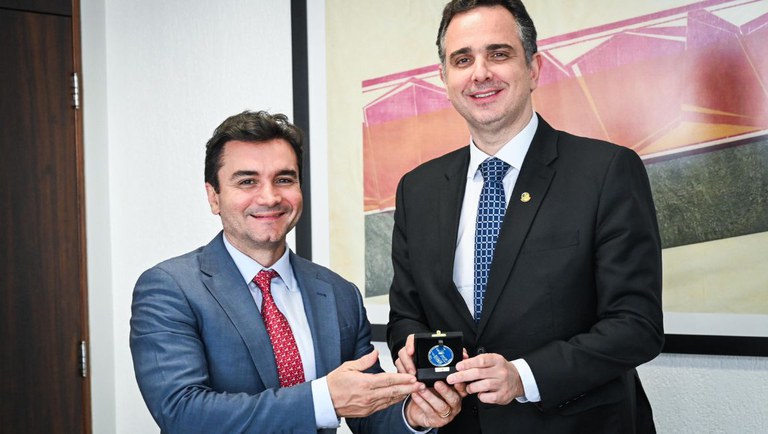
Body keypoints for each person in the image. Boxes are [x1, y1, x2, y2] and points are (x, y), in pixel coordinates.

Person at [387, 1, 664, 433]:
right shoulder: (417, 190)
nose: (480, 73)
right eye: (462, 60)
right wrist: (409, 348)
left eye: (498, 54)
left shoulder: (606, 171)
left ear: (533, 68)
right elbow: (406, 314)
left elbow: (636, 326)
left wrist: (523, 377)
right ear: (445, 78)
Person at [130, 110, 462, 433]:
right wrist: (324, 400)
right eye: (247, 181)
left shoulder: (339, 294)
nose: (269, 197)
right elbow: (182, 413)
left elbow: (368, 410)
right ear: (213, 197)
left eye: (284, 179)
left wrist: (413, 416)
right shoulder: (171, 288)